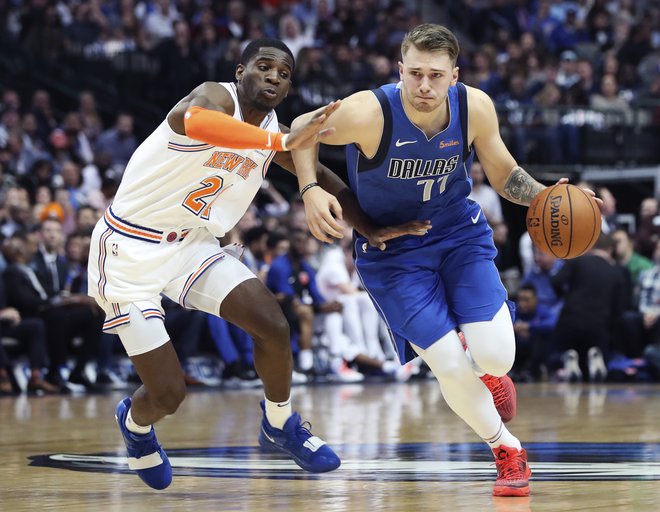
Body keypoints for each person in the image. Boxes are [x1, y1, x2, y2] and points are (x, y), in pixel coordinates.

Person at [86, 38, 427, 490]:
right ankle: (135, 424)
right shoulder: (213, 96)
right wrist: (280, 139)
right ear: (241, 68)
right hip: (129, 251)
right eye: (264, 67)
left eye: (284, 74)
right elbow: (194, 121)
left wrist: (365, 225)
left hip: (192, 245)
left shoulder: (271, 131)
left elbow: (322, 175)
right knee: (168, 394)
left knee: (273, 324)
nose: (273, 77)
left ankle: (279, 422)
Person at [290, 24, 601, 497]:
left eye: (436, 75)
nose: (424, 86)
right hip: (393, 253)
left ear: (454, 76)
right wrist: (311, 188)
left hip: (457, 234)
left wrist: (552, 197)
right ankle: (506, 449)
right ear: (400, 71)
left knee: (498, 354)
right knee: (449, 365)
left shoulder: (473, 106)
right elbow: (298, 131)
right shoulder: (369, 112)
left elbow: (503, 173)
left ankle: (491, 370)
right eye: (414, 73)